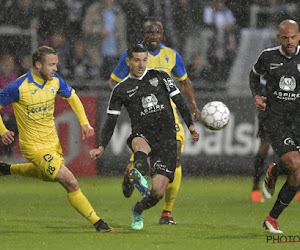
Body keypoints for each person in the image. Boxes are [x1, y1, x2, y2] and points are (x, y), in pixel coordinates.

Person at [0, 46, 115, 233]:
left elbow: (73, 97)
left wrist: (85, 123)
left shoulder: (54, 81)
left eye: (56, 64)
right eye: (51, 65)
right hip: (34, 147)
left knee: (48, 176)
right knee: (70, 181)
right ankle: (99, 223)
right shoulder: (18, 87)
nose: (56, 69)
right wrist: (3, 130)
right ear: (38, 65)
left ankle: (7, 169)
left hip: (53, 144)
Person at [90, 44, 199, 230]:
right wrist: (101, 146)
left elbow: (179, 100)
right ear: (128, 61)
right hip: (142, 134)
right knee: (139, 148)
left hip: (167, 138)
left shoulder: (161, 77)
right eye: (137, 60)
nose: (141, 64)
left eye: (144, 60)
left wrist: (190, 125)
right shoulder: (121, 89)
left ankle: (138, 208)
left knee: (157, 192)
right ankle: (138, 174)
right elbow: (110, 120)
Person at [249, 19, 300, 234]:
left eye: (293, 37)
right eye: (285, 38)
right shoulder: (268, 56)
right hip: (275, 119)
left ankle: (272, 218)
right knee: (295, 162)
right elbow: (254, 75)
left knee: (298, 174)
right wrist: (257, 95)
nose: (290, 42)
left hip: (297, 120)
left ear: (299, 36)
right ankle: (273, 171)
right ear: (279, 38)